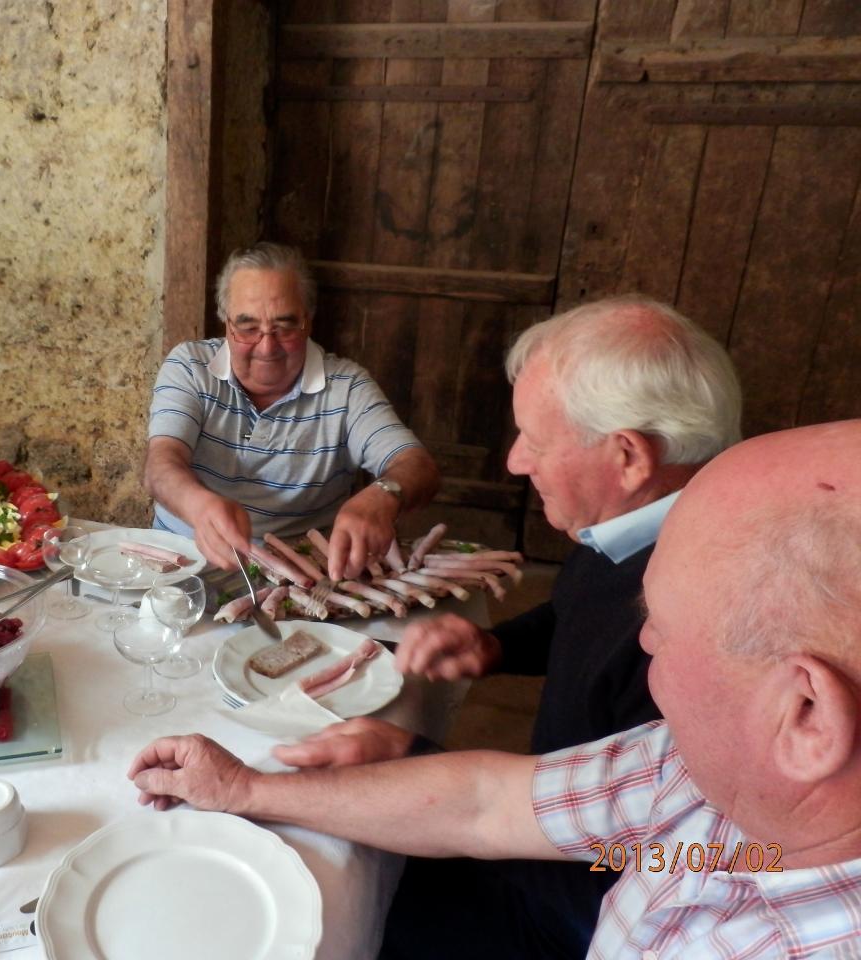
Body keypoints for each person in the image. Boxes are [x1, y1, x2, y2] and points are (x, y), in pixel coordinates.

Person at [130, 419, 861, 959]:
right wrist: (243, 789)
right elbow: (493, 804)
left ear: (806, 716)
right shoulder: (708, 774)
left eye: (663, 629)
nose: (641, 645)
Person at [275, 296, 744, 957]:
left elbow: (625, 846)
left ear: (629, 456)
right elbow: (575, 613)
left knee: (342, 907)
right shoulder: (626, 523)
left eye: (537, 441)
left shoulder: (701, 627)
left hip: (567, 901)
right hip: (541, 819)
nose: (515, 461)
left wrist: (414, 762)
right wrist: (497, 645)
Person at [143, 241, 439, 581]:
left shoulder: (346, 386)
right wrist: (197, 505)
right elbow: (160, 464)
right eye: (248, 327)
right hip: (181, 570)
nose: (267, 347)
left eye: (284, 327)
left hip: (300, 586)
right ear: (226, 324)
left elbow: (417, 465)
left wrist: (384, 494)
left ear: (308, 322)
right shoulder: (190, 367)